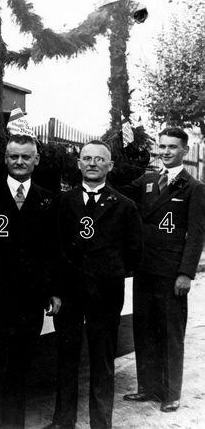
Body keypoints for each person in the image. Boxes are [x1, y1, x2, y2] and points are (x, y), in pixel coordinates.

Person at [0, 135, 62, 428]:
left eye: (25, 157)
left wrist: (55, 290)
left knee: (20, 370)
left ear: (36, 160)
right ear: (5, 159)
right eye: (13, 157)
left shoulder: (48, 199)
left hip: (30, 301)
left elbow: (55, 250)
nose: (19, 162)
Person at [44, 140, 142, 429]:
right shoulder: (62, 202)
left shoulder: (124, 206)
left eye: (100, 159)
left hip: (106, 293)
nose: (92, 163)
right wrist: (57, 287)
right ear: (78, 164)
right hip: (69, 294)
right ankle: (64, 421)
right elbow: (53, 245)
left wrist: (106, 272)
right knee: (67, 358)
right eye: (87, 158)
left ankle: (101, 423)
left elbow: (134, 252)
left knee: (102, 361)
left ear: (110, 166)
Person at [117, 127, 205, 413]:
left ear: (184, 151)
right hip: (144, 268)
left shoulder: (194, 187)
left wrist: (186, 274)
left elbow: (196, 235)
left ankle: (170, 393)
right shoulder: (148, 180)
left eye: (172, 147)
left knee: (170, 332)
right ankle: (148, 388)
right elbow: (117, 194)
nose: (165, 152)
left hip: (171, 273)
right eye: (162, 147)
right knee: (144, 329)